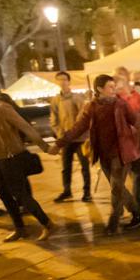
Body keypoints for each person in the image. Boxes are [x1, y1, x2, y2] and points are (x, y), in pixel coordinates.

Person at [55, 74, 140, 236]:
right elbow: (78, 127)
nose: (114, 89)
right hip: (103, 154)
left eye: (114, 86)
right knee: (118, 187)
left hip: (121, 152)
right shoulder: (91, 107)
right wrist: (60, 143)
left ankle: (113, 223)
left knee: (116, 187)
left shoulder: (120, 104)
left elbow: (136, 122)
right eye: (110, 87)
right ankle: (138, 214)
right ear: (99, 89)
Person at [0, 78, 54, 242]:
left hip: (12, 156)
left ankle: (47, 224)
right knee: (2, 192)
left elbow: (25, 127)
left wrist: (45, 147)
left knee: (20, 194)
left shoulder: (2, 108)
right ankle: (20, 228)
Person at [48, 71, 92, 203]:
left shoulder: (77, 98)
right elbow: (53, 119)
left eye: (64, 79)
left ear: (69, 81)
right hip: (66, 139)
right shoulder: (55, 100)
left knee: (84, 166)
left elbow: (82, 117)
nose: (62, 82)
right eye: (59, 80)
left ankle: (87, 192)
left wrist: (76, 131)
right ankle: (67, 191)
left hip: (80, 138)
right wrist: (60, 134)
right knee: (65, 167)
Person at [122, 64, 140, 212]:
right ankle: (138, 197)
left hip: (137, 137)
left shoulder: (137, 94)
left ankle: (138, 202)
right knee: (132, 172)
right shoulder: (117, 98)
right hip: (124, 140)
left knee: (138, 171)